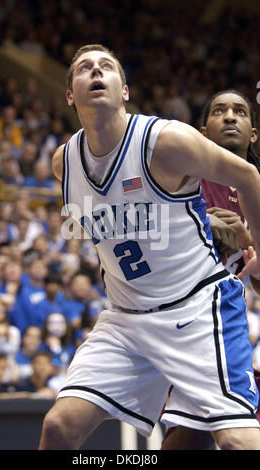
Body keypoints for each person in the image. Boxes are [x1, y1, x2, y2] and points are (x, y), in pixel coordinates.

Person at [39, 44, 260, 450]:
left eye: (107, 66)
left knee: (236, 443)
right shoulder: (63, 165)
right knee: (58, 428)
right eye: (84, 68)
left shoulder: (167, 140)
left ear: (124, 90)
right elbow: (109, 230)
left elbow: (249, 176)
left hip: (196, 310)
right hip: (126, 321)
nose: (96, 72)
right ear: (70, 94)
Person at [161, 90, 260, 450]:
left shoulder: (258, 191)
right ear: (202, 133)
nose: (230, 116)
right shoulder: (179, 183)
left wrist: (249, 241)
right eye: (219, 111)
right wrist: (199, 228)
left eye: (240, 111)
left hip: (235, 330)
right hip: (186, 325)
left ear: (253, 134)